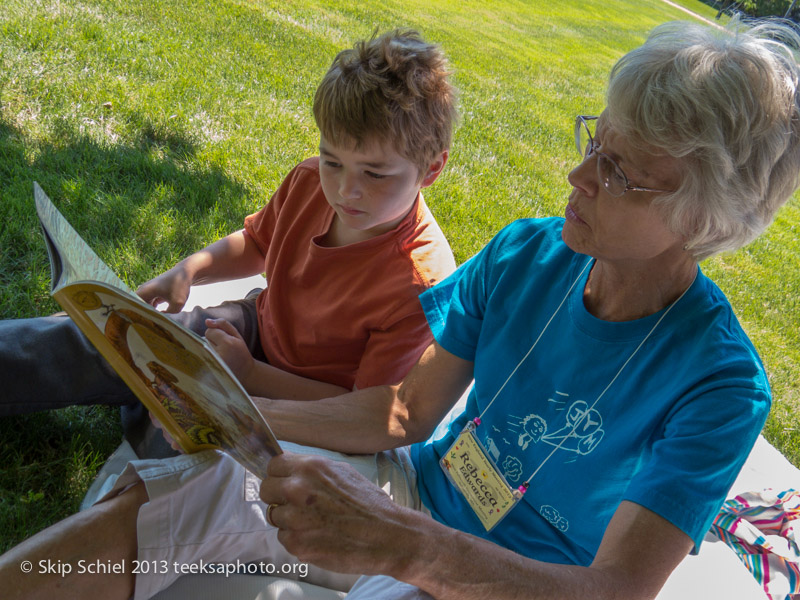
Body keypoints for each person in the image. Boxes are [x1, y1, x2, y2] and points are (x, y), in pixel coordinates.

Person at [3, 18, 800, 600]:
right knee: (177, 496)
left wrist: (409, 551)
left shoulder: (721, 386)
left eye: (620, 172)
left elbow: (614, 589)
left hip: (517, 579)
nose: (578, 176)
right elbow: (405, 413)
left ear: (706, 217)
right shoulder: (527, 254)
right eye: (597, 141)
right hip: (415, 493)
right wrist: (236, 414)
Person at [0, 28, 457, 436]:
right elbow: (258, 242)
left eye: (374, 174)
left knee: (184, 450)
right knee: (114, 335)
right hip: (253, 329)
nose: (344, 190)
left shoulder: (422, 281)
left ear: (431, 169)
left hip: (304, 405)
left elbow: (362, 409)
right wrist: (189, 270)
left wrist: (252, 377)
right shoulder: (308, 181)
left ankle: (145, 403)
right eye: (332, 161)